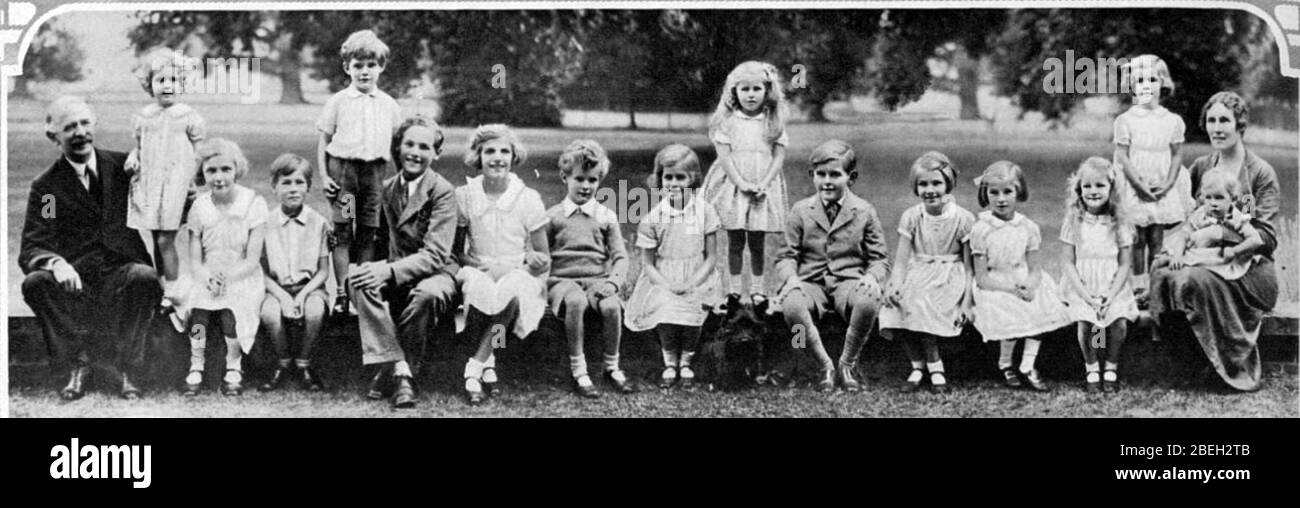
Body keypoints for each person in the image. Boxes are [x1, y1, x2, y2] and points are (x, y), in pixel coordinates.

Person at [20, 96, 162, 400]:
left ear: (94, 124)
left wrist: (146, 155)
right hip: (76, 283)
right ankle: (77, 365)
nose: (80, 132)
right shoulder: (48, 190)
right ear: (53, 136)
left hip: (119, 274)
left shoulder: (123, 168)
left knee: (145, 276)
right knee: (36, 283)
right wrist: (56, 263)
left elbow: (167, 188)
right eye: (69, 127)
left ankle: (128, 369)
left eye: (85, 123)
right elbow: (34, 243)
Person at [1149, 91, 1280, 392]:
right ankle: (1185, 361)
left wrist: (1218, 235)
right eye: (1211, 120)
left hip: (1250, 269)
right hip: (1205, 259)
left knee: (1192, 279)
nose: (1217, 128)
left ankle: (1224, 364)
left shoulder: (1259, 173)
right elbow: (1186, 220)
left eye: (1225, 120)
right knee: (1164, 269)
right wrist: (1182, 239)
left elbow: (1266, 238)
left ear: (1240, 125)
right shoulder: (1201, 168)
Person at [350, 115, 459, 409]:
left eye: (424, 147)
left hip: (436, 271)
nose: (415, 152)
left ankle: (392, 371)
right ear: (398, 149)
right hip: (395, 268)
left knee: (429, 295)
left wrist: (387, 270)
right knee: (358, 281)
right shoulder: (386, 189)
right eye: (409, 144)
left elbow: (436, 254)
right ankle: (400, 370)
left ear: (436, 153)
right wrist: (368, 267)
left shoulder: (442, 192)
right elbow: (375, 240)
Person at [773, 140, 889, 392]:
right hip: (810, 282)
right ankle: (819, 362)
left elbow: (879, 258)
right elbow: (784, 256)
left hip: (848, 283)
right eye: (820, 174)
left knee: (868, 301)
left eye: (835, 174)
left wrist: (872, 276)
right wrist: (791, 279)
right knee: (792, 309)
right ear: (811, 175)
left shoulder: (864, 211)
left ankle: (848, 363)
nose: (827, 181)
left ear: (851, 177)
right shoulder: (801, 210)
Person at [454, 124, 550, 405]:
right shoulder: (465, 195)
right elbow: (456, 251)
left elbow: (543, 258)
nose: (497, 158)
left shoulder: (528, 197)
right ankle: (490, 364)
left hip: (516, 269)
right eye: (489, 151)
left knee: (514, 290)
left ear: (513, 156)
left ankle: (475, 366)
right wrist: (480, 266)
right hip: (477, 266)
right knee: (478, 286)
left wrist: (531, 261)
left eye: (504, 151)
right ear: (478, 157)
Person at [316, 29, 403, 315]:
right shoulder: (339, 101)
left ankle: (362, 291)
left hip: (374, 174)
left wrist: (401, 178)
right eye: (358, 66)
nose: (364, 72)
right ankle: (341, 291)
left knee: (368, 231)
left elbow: (396, 146)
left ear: (381, 67)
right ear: (347, 68)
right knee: (343, 231)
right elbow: (324, 141)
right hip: (345, 173)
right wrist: (326, 176)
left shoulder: (389, 104)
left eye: (370, 66)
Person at [624, 144, 721, 390]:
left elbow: (711, 257)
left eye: (681, 177)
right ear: (660, 179)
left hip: (698, 274)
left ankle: (686, 360)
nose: (674, 183)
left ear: (692, 179)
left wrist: (692, 282)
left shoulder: (705, 211)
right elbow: (647, 263)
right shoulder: (653, 218)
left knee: (693, 309)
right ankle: (670, 361)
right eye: (668, 177)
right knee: (666, 309)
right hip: (662, 275)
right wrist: (667, 284)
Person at [699, 61, 790, 318]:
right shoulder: (727, 123)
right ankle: (735, 291)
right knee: (736, 241)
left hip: (763, 185)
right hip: (734, 186)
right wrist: (742, 183)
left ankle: (759, 290)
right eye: (745, 89)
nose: (751, 95)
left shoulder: (772, 122)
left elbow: (778, 158)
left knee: (758, 242)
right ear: (734, 92)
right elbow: (725, 158)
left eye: (756, 89)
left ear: (767, 91)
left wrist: (764, 183)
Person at [968, 161, 1069, 392]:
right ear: (985, 194)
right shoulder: (982, 229)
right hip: (996, 284)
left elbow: (1034, 269)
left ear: (1019, 192)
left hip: (1022, 278)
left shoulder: (1028, 227)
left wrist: (1031, 285)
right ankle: (1005, 364)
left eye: (1008, 191)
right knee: (1010, 310)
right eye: (994, 192)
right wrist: (1011, 290)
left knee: (1039, 306)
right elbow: (982, 277)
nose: (1001, 199)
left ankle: (1027, 365)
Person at [878, 152, 974, 393]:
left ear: (948, 185)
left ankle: (935, 365)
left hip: (949, 274)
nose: (930, 190)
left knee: (922, 302)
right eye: (923, 184)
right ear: (915, 187)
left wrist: (967, 302)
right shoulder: (912, 216)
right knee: (897, 303)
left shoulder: (962, 218)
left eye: (936, 183)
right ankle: (917, 364)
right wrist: (894, 284)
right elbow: (901, 262)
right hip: (918, 270)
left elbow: (969, 265)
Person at [544, 140, 633, 397]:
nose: (586, 186)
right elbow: (541, 254)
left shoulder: (605, 216)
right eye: (579, 179)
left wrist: (613, 282)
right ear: (565, 177)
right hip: (562, 281)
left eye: (592, 180)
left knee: (611, 306)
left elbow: (620, 257)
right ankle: (578, 368)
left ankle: (611, 366)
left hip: (596, 279)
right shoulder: (552, 216)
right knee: (575, 301)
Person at [183, 139, 268, 396]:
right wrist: (208, 278)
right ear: (203, 174)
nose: (219, 177)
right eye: (211, 171)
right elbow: (195, 260)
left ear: (236, 169)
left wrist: (227, 278)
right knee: (196, 307)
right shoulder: (199, 207)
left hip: (242, 274)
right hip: (206, 274)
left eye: (225, 169)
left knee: (232, 308)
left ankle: (234, 365)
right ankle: (196, 362)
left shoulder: (253, 203)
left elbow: (252, 260)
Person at [125, 50, 206, 314]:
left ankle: (175, 292)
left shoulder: (187, 115)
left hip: (176, 185)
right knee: (157, 237)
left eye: (173, 80)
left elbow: (198, 150)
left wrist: (194, 178)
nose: (167, 85)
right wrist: (134, 156)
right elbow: (139, 146)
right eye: (160, 80)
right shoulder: (144, 116)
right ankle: (164, 289)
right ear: (150, 85)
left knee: (165, 241)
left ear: (182, 84)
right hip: (151, 185)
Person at [1112, 54, 1192, 304]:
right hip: (1136, 185)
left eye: (1152, 79)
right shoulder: (1126, 120)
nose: (1147, 85)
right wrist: (1139, 185)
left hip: (1161, 185)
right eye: (1140, 80)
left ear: (1163, 83)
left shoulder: (1172, 121)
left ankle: (1154, 286)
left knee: (1157, 239)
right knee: (1137, 239)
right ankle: (1137, 285)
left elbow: (1177, 154)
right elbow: (1122, 157)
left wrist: (1168, 184)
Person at [1058, 157, 1139, 393]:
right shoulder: (1073, 220)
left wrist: (1111, 295)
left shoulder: (1119, 222)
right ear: (1079, 189)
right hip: (1082, 285)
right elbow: (1067, 262)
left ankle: (1111, 366)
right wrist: (1086, 295)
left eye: (1100, 185)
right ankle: (1092, 366)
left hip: (1112, 284)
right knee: (1091, 324)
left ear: (1111, 189)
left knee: (1117, 322)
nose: (1093, 191)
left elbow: (1125, 265)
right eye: (1087, 186)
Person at [258, 154, 331, 392]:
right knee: (269, 313)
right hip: (276, 288)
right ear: (274, 187)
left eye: (299, 183)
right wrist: (282, 296)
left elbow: (323, 272)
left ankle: (304, 362)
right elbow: (262, 272)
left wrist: (300, 296)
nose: (293, 189)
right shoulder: (264, 223)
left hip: (310, 288)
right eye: (286, 183)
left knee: (314, 311)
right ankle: (282, 361)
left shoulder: (319, 223)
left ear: (308, 187)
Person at [1165, 170, 1264, 281]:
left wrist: (1235, 251)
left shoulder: (1236, 217)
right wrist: (1177, 255)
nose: (1213, 203)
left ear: (1233, 199)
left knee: (1191, 272)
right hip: (1200, 249)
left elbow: (1256, 240)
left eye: (1219, 197)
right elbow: (1184, 234)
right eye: (1208, 197)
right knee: (1163, 260)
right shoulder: (1201, 212)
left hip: (1221, 255)